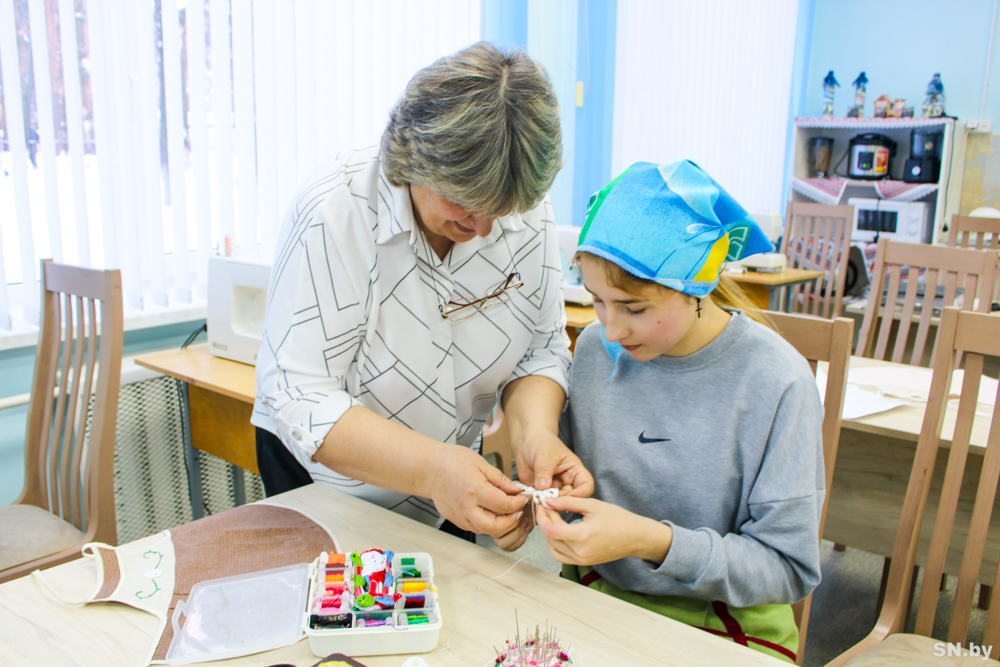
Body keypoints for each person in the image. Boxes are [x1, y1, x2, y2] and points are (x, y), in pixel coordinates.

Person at [252, 42, 593, 549]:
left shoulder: (521, 203)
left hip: (454, 473)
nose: (483, 228)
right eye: (464, 203)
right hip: (329, 480)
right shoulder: (335, 212)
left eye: (500, 210)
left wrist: (535, 434)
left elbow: (539, 349)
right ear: (412, 159)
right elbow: (300, 392)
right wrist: (433, 469)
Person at [536, 161, 824, 663]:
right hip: (598, 600)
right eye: (597, 300)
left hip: (728, 626)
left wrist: (652, 542)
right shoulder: (595, 351)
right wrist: (542, 495)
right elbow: (569, 482)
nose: (611, 329)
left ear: (697, 285)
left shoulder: (777, 382)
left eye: (634, 308)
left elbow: (787, 568)